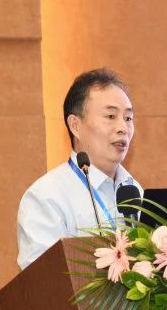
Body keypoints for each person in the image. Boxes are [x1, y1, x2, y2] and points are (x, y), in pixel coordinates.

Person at [17, 68, 140, 269]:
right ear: (75, 125)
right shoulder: (46, 197)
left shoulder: (134, 191)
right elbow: (44, 279)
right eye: (110, 116)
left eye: (128, 118)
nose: (123, 128)